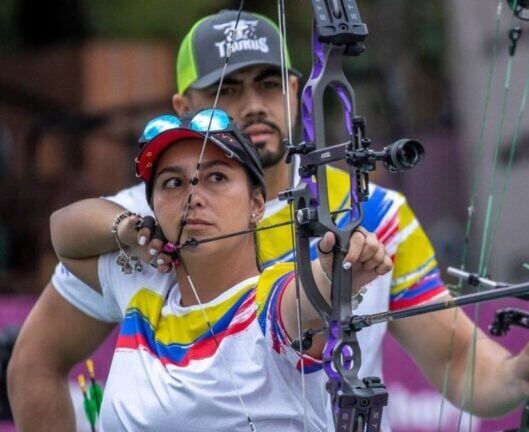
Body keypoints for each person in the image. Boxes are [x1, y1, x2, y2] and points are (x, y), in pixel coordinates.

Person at [8, 9, 529, 431]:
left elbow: (454, 361)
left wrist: (520, 375)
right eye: (226, 90)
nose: (252, 105)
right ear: (183, 108)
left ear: (296, 91)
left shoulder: (375, 213)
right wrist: (126, 229)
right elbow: (36, 361)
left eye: (268, 84)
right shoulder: (149, 218)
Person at [50, 109, 392, 430]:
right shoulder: (145, 284)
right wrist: (127, 228)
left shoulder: (269, 302)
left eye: (216, 177)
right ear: (152, 204)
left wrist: (338, 270)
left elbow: (311, 296)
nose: (193, 196)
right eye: (173, 183)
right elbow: (63, 233)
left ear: (256, 204)